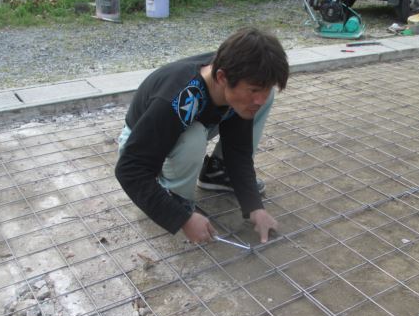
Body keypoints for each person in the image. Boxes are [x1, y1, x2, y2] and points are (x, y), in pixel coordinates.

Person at [115, 27, 289, 244]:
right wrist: (182, 218)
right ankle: (175, 197)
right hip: (142, 142)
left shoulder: (237, 78)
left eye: (265, 88)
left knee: (255, 102)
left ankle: (217, 171)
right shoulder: (180, 98)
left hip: (190, 123)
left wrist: (254, 207)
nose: (259, 99)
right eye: (253, 90)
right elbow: (129, 169)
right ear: (221, 77)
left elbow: (238, 149)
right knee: (193, 137)